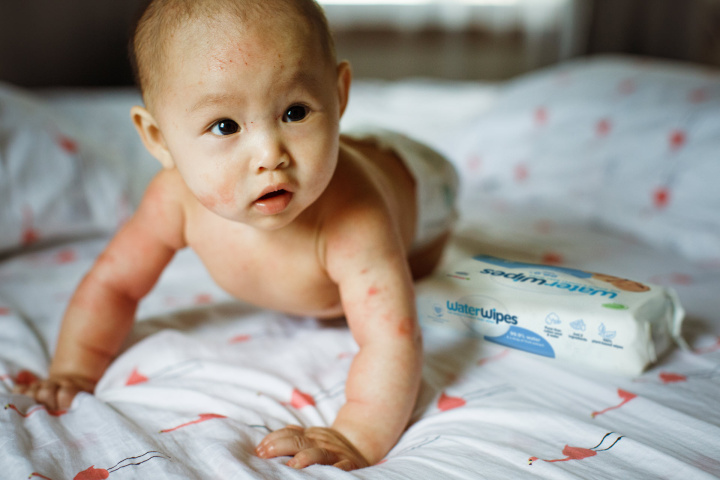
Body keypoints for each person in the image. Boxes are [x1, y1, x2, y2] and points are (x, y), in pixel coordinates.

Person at [13, 0, 459, 471]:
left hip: (419, 184)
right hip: (358, 153)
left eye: (295, 112)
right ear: (159, 139)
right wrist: (74, 370)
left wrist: (356, 436)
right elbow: (114, 284)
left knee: (416, 271)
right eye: (225, 125)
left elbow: (393, 339)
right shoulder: (173, 200)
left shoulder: (356, 215)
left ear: (339, 95)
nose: (270, 154)